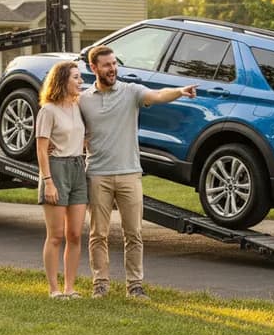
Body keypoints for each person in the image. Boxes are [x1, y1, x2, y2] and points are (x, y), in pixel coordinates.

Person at [79, 45, 197, 300]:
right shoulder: (83, 100)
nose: (112, 69)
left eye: (114, 64)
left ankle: (135, 285)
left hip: (129, 174)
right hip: (97, 174)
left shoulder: (131, 92)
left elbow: (157, 95)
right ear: (94, 68)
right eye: (106, 65)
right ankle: (100, 284)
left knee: (133, 233)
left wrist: (179, 91)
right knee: (98, 233)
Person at [35, 61, 88, 299]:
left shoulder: (79, 106)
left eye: (80, 78)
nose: (80, 82)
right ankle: (54, 289)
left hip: (78, 168)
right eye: (76, 78)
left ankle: (70, 288)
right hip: (55, 170)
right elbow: (41, 148)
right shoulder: (48, 110)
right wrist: (48, 181)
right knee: (55, 235)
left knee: (75, 234)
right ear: (62, 81)